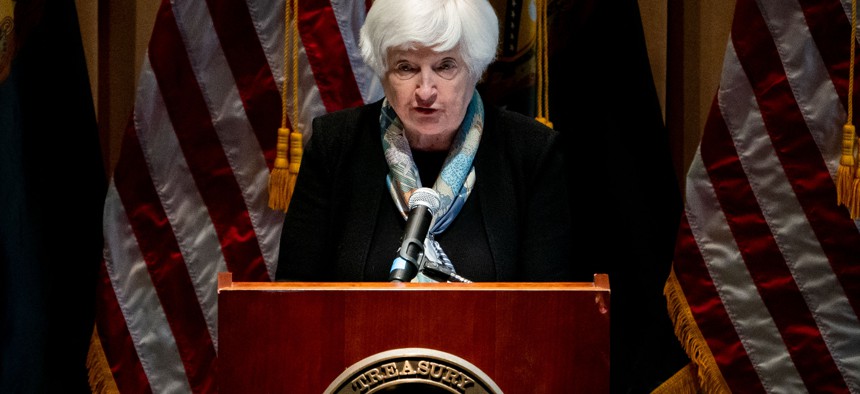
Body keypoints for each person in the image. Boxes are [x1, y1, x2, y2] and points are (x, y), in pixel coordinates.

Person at [275, 0, 576, 282]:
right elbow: (293, 299)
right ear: (383, 70)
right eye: (407, 67)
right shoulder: (335, 145)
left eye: (445, 66)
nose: (425, 91)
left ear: (475, 68)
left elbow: (549, 309)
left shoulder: (531, 152)